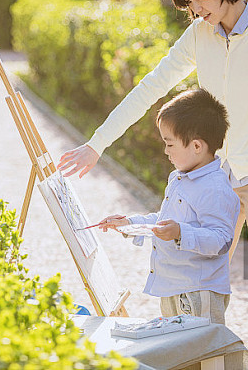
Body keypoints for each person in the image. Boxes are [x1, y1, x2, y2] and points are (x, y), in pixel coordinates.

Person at [57, 0, 248, 354]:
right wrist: (97, 145)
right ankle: (211, 360)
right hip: (217, 179)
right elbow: (151, 88)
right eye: (188, 0)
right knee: (202, 281)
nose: (196, 8)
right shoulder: (199, 36)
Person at [98, 88, 239, 325]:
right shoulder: (179, 177)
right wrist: (130, 223)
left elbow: (222, 239)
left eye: (170, 144)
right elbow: (166, 220)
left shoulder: (214, 187)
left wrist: (180, 232)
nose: (165, 151)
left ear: (197, 146)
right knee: (179, 356)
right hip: (173, 288)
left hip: (198, 292)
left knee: (201, 357)